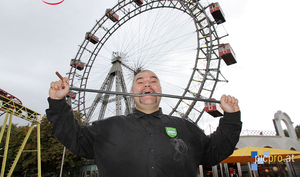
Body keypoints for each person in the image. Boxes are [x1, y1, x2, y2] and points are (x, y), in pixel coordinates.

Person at [47, 70, 242, 177]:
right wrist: (57, 103)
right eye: (140, 81)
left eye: (153, 81)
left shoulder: (186, 128)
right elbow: (74, 138)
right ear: (131, 92)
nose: (147, 84)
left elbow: (215, 152)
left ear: (160, 89)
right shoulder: (107, 128)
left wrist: (231, 117)